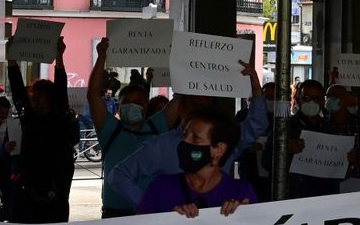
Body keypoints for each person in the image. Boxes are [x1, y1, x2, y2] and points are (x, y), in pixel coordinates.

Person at [108, 63, 266, 211]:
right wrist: (152, 205)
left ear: (219, 149)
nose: (199, 114)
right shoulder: (161, 146)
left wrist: (256, 92)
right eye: (194, 107)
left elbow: (257, 125)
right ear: (180, 109)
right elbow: (119, 174)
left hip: (218, 221)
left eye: (204, 108)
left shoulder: (223, 139)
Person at [88, 38, 170, 217]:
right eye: (126, 102)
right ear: (118, 106)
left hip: (152, 214)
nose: (132, 105)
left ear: (146, 106)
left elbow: (181, 99)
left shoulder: (157, 126)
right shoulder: (110, 130)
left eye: (138, 102)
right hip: (115, 215)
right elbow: (93, 95)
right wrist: (101, 56)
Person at [7, 37, 78, 223]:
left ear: (51, 98)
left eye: (41, 95)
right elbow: (17, 90)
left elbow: (61, 86)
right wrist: (11, 59)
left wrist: (59, 56)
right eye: (34, 95)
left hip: (56, 186)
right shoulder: (28, 116)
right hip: (28, 186)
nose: (36, 99)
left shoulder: (59, 115)